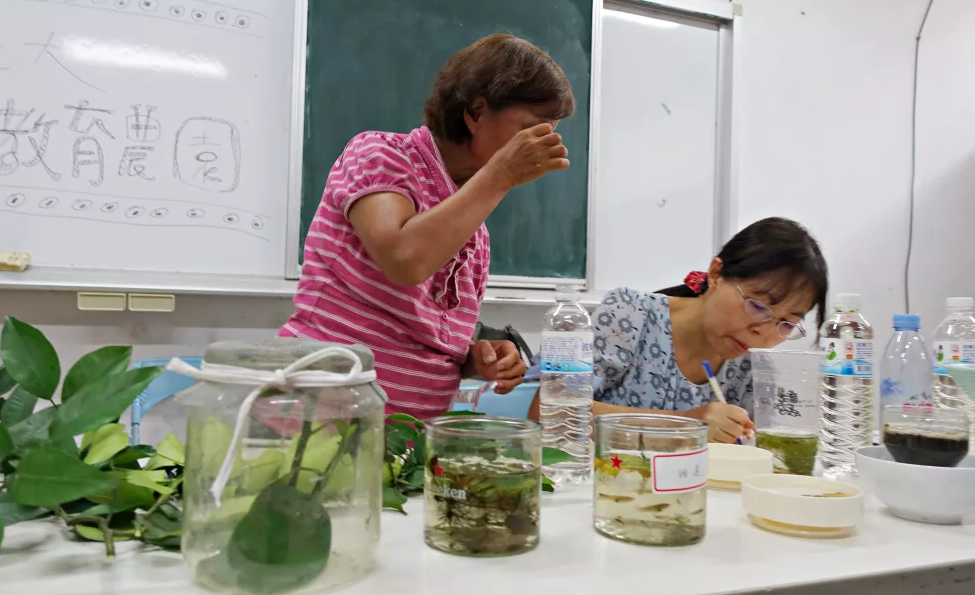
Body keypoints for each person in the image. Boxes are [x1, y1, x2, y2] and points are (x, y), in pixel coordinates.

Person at [280, 34, 576, 419]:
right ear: (476, 112)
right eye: (535, 127)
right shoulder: (379, 155)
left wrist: (475, 358)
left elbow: (431, 342)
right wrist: (501, 174)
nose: (547, 142)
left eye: (552, 129)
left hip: (410, 439)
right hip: (319, 425)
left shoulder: (476, 232)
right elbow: (404, 259)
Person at [529, 217, 829, 443]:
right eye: (758, 306)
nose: (764, 333)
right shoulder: (630, 315)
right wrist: (684, 427)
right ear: (716, 274)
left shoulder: (752, 366)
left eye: (787, 323)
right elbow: (550, 411)